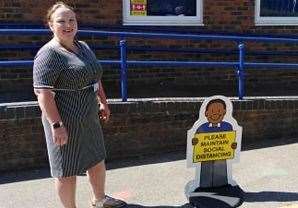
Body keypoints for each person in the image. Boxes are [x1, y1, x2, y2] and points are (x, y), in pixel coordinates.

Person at [33, 2, 126, 208]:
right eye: (61, 21)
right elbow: (43, 94)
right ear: (50, 25)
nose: (68, 25)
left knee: (96, 157)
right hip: (63, 118)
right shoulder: (48, 54)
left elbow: (95, 77)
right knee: (66, 168)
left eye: (71, 20)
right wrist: (57, 125)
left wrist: (103, 102)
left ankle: (99, 199)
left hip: (88, 114)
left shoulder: (83, 46)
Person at [192, 99, 233, 188]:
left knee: (221, 168)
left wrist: (233, 146)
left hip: (221, 154)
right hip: (205, 155)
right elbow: (196, 141)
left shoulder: (228, 126)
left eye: (219, 111)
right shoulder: (202, 127)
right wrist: (194, 142)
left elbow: (231, 140)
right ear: (206, 113)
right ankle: (204, 186)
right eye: (212, 111)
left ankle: (222, 184)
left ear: (224, 112)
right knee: (206, 169)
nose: (215, 114)